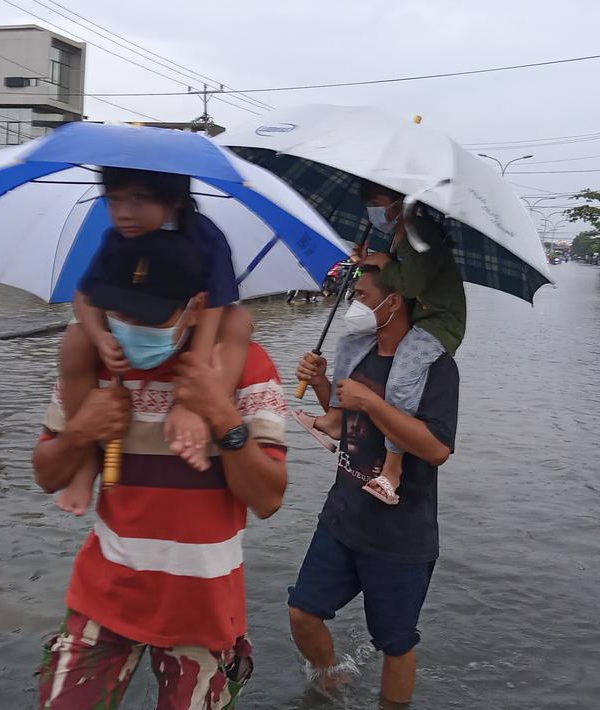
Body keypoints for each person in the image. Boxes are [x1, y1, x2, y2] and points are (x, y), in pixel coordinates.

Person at [33, 232, 289, 709]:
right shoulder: (96, 359)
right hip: (104, 597)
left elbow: (269, 499)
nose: (128, 327)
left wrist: (222, 417)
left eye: (147, 318)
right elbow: (47, 474)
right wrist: (79, 432)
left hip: (205, 613)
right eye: (120, 312)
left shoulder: (244, 367)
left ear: (195, 308)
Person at [290, 267, 459, 705]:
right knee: (302, 612)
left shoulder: (435, 367)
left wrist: (372, 401)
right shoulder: (359, 352)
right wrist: (324, 381)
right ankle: (331, 681)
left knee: (395, 644)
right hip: (342, 516)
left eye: (362, 295)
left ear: (394, 302)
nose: (354, 306)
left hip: (400, 533)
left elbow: (437, 449)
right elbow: (345, 415)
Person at [55, 167, 249, 516]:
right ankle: (85, 462)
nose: (123, 212)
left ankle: (202, 414)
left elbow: (215, 306)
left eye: (138, 199)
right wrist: (100, 338)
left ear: (173, 200)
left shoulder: (205, 237)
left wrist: (192, 394)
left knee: (240, 321)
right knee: (74, 340)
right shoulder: (117, 238)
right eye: (113, 200)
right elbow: (83, 296)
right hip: (131, 318)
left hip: (188, 320)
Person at [333, 181, 464, 505]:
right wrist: (365, 261)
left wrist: (383, 263)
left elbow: (408, 283)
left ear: (401, 202)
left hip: (438, 324)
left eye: (378, 202)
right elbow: (385, 277)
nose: (373, 212)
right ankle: (332, 418)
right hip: (419, 317)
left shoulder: (420, 234)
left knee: (401, 383)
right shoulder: (401, 233)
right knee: (348, 343)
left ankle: (393, 468)